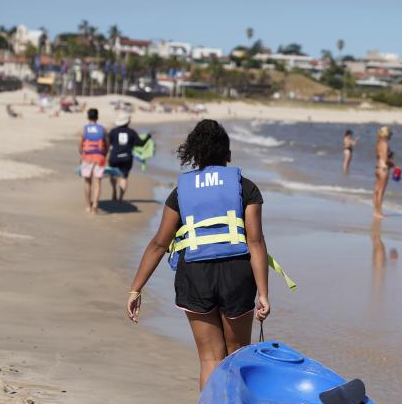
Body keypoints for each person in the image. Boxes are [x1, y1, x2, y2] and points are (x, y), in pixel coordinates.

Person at [126, 119, 270, 389]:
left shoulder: (181, 191)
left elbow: (159, 243)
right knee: (237, 355)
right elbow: (255, 241)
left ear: (194, 154)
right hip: (236, 272)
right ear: (227, 154)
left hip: (195, 274)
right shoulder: (245, 187)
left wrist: (136, 289)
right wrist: (263, 292)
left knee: (210, 360)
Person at [106, 113, 152, 202]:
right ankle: (120, 198)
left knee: (113, 175)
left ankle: (114, 190)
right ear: (128, 122)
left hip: (114, 157)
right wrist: (148, 137)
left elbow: (107, 142)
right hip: (127, 158)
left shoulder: (113, 131)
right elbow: (141, 144)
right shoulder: (132, 132)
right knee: (124, 177)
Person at [78, 108, 109, 214]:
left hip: (87, 157)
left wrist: (81, 154)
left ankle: (88, 206)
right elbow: (107, 144)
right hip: (99, 157)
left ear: (88, 117)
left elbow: (80, 144)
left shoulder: (84, 129)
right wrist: (105, 154)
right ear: (97, 117)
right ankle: (95, 205)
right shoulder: (103, 129)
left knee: (87, 182)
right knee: (97, 182)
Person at [373, 126, 393, 219]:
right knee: (381, 191)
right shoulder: (385, 143)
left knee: (376, 190)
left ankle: (375, 211)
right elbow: (385, 159)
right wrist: (394, 165)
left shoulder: (378, 143)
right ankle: (379, 212)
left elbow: (378, 156)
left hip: (377, 167)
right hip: (383, 169)